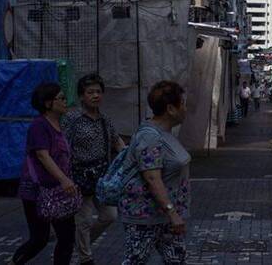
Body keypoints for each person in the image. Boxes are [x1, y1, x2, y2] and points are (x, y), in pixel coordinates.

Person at [119, 81, 191, 264]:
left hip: (165, 217)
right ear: (170, 109)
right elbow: (152, 178)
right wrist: (172, 213)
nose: (185, 108)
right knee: (135, 260)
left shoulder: (166, 133)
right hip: (146, 217)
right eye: (182, 103)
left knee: (176, 259)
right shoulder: (150, 136)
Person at [62, 74, 125, 265]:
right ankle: (85, 257)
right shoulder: (73, 118)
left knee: (109, 215)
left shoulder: (105, 119)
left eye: (98, 92)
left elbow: (117, 141)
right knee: (84, 220)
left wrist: (128, 156)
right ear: (82, 96)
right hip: (79, 175)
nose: (95, 95)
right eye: (90, 92)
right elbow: (62, 146)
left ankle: (82, 244)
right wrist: (65, 176)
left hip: (102, 176)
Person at [11, 83, 77, 265]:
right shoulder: (39, 126)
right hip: (38, 191)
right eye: (62, 98)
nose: (66, 102)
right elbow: (42, 155)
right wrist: (64, 179)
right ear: (48, 103)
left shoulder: (60, 124)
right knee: (39, 238)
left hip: (58, 191)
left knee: (66, 237)